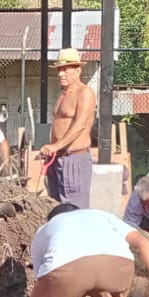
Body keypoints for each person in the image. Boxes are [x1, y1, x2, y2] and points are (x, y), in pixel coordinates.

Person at [43, 47, 97, 205]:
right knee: (56, 208)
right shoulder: (63, 95)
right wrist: (52, 150)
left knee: (74, 210)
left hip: (74, 159)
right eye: (59, 70)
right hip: (57, 159)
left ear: (78, 70)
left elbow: (80, 124)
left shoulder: (85, 93)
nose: (61, 74)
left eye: (65, 69)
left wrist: (57, 145)